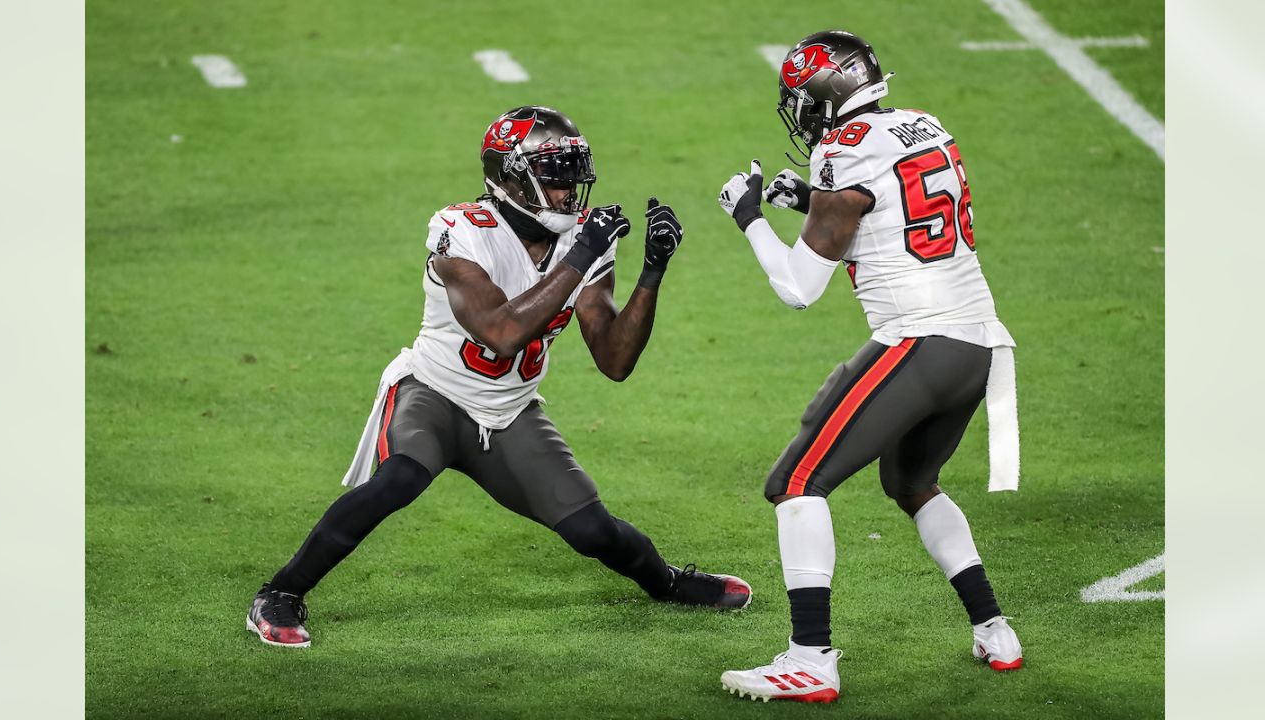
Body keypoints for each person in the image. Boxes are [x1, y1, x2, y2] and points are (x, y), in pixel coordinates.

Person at [247, 105, 751, 648]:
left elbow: (614, 360)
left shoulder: (581, 237)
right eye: (555, 175)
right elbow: (501, 332)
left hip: (511, 412)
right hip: (434, 394)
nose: (570, 190)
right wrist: (580, 254)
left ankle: (667, 582)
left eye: (574, 174)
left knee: (592, 530)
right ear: (511, 177)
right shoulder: (460, 228)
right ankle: (279, 594)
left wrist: (652, 272)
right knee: (399, 480)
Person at [715, 30, 1023, 703]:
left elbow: (799, 287)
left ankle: (809, 658)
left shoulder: (842, 152)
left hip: (920, 342)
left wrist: (748, 218)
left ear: (825, 98)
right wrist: (807, 201)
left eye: (801, 99)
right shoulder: (923, 124)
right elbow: (891, 216)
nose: (798, 112)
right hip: (980, 344)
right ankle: (994, 628)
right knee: (912, 483)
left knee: (795, 482)